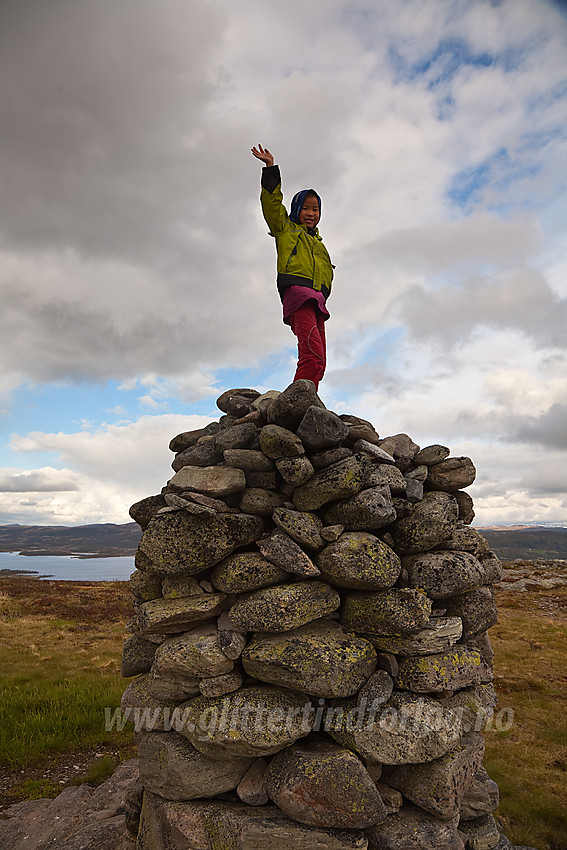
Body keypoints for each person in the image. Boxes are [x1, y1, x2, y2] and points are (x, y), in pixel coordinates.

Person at [251, 144, 334, 391]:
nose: (311, 213)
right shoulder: (286, 229)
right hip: (299, 296)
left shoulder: (318, 242)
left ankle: (308, 402)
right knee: (311, 354)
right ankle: (297, 403)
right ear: (297, 210)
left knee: (320, 361)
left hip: (318, 301)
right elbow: (272, 205)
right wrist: (270, 169)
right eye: (306, 208)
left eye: (315, 209)